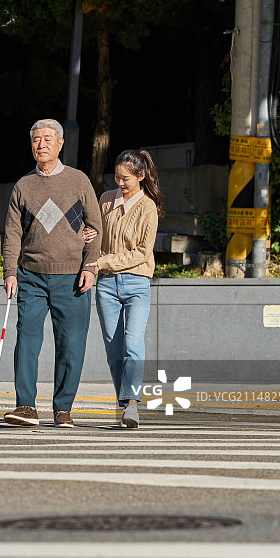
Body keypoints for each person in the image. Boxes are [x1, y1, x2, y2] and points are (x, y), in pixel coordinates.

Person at [2, 119, 102, 428]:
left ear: (60, 144)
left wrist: (90, 265)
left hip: (71, 277)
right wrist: (9, 271)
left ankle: (63, 409)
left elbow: (96, 226)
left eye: (47, 139)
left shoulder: (78, 181)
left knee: (71, 344)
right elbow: (12, 234)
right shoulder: (23, 186)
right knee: (27, 340)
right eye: (35, 140)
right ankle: (26, 407)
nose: (41, 144)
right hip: (31, 275)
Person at [84, 149, 162, 428]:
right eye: (117, 177)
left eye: (126, 178)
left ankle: (131, 405)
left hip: (137, 282)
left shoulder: (148, 207)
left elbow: (142, 252)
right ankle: (126, 396)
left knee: (133, 343)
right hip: (106, 284)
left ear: (141, 176)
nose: (120, 183)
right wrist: (88, 234)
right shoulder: (105, 200)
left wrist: (102, 261)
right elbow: (95, 234)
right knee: (113, 348)